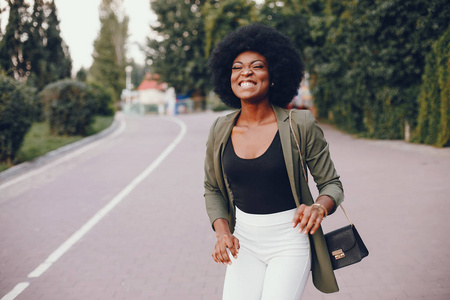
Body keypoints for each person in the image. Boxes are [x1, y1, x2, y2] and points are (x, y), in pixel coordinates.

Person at [204, 24, 344, 299]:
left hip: (290, 239)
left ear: (274, 74)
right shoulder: (220, 129)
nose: (246, 72)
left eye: (257, 66)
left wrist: (318, 207)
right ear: (227, 77)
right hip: (243, 241)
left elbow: (332, 185)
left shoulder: (299, 124)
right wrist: (222, 234)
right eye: (237, 67)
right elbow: (212, 189)